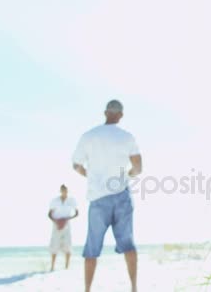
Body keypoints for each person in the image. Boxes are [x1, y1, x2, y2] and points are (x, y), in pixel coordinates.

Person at [72, 99, 142, 292]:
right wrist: (128, 175)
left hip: (98, 198)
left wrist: (89, 175)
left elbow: (76, 165)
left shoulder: (88, 136)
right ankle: (134, 288)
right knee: (128, 244)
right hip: (121, 195)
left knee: (92, 248)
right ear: (120, 115)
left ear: (105, 113)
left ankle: (87, 290)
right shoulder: (127, 137)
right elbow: (138, 167)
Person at [48, 184, 79, 271]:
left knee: (68, 245)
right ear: (60, 191)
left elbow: (77, 213)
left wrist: (66, 219)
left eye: (65, 190)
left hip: (67, 224)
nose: (64, 191)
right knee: (54, 244)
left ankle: (67, 267)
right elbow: (49, 214)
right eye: (62, 190)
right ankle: (52, 267)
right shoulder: (55, 201)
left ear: (67, 191)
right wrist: (57, 222)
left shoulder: (72, 200)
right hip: (56, 224)